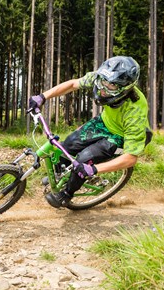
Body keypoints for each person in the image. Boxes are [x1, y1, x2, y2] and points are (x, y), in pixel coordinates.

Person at [27, 55, 152, 209]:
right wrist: (43, 96)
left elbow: (131, 158)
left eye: (111, 86)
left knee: (83, 160)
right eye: (103, 82)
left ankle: (67, 194)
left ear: (125, 88)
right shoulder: (102, 78)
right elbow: (73, 84)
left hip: (121, 136)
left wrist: (94, 169)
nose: (103, 88)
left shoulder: (136, 110)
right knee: (67, 145)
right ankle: (62, 175)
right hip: (104, 123)